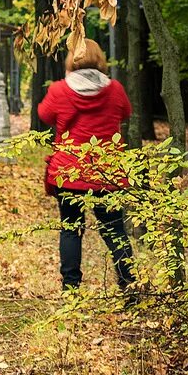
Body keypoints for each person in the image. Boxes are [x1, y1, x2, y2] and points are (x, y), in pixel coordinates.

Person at [37, 38, 135, 292]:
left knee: (71, 230)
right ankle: (129, 286)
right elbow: (125, 113)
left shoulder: (60, 90)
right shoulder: (115, 89)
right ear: (100, 59)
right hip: (106, 173)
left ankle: (71, 289)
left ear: (72, 60)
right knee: (115, 230)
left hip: (69, 173)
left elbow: (45, 115)